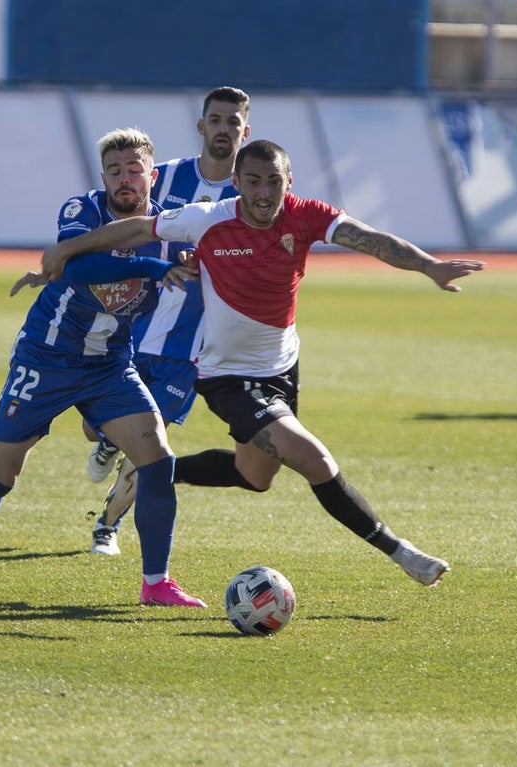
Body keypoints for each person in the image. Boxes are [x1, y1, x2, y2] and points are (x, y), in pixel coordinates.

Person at [41, 139, 487, 587]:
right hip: (227, 378)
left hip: (282, 368)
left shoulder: (307, 214)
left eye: (274, 181)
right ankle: (402, 552)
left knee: (252, 477)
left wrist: (429, 266)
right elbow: (137, 229)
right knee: (314, 458)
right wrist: (68, 250)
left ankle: (158, 470)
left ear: (288, 181)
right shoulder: (209, 219)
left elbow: (370, 239)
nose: (264, 192)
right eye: (253, 181)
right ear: (236, 183)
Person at [0, 128, 207, 608]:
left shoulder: (170, 231)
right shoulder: (82, 210)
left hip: (109, 364)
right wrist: (154, 271)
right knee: (1, 476)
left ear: (152, 176)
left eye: (134, 170)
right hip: (46, 358)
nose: (124, 179)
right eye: (115, 171)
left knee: (158, 459)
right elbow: (78, 269)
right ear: (103, 177)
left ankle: (156, 582)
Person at [83, 86, 252, 556]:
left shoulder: (251, 192)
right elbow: (126, 221)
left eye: (232, 122)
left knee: (151, 441)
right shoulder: (167, 176)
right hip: (135, 327)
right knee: (98, 429)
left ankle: (107, 525)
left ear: (245, 130)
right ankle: (104, 441)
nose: (223, 129)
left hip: (191, 343)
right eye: (215, 120)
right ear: (202, 126)